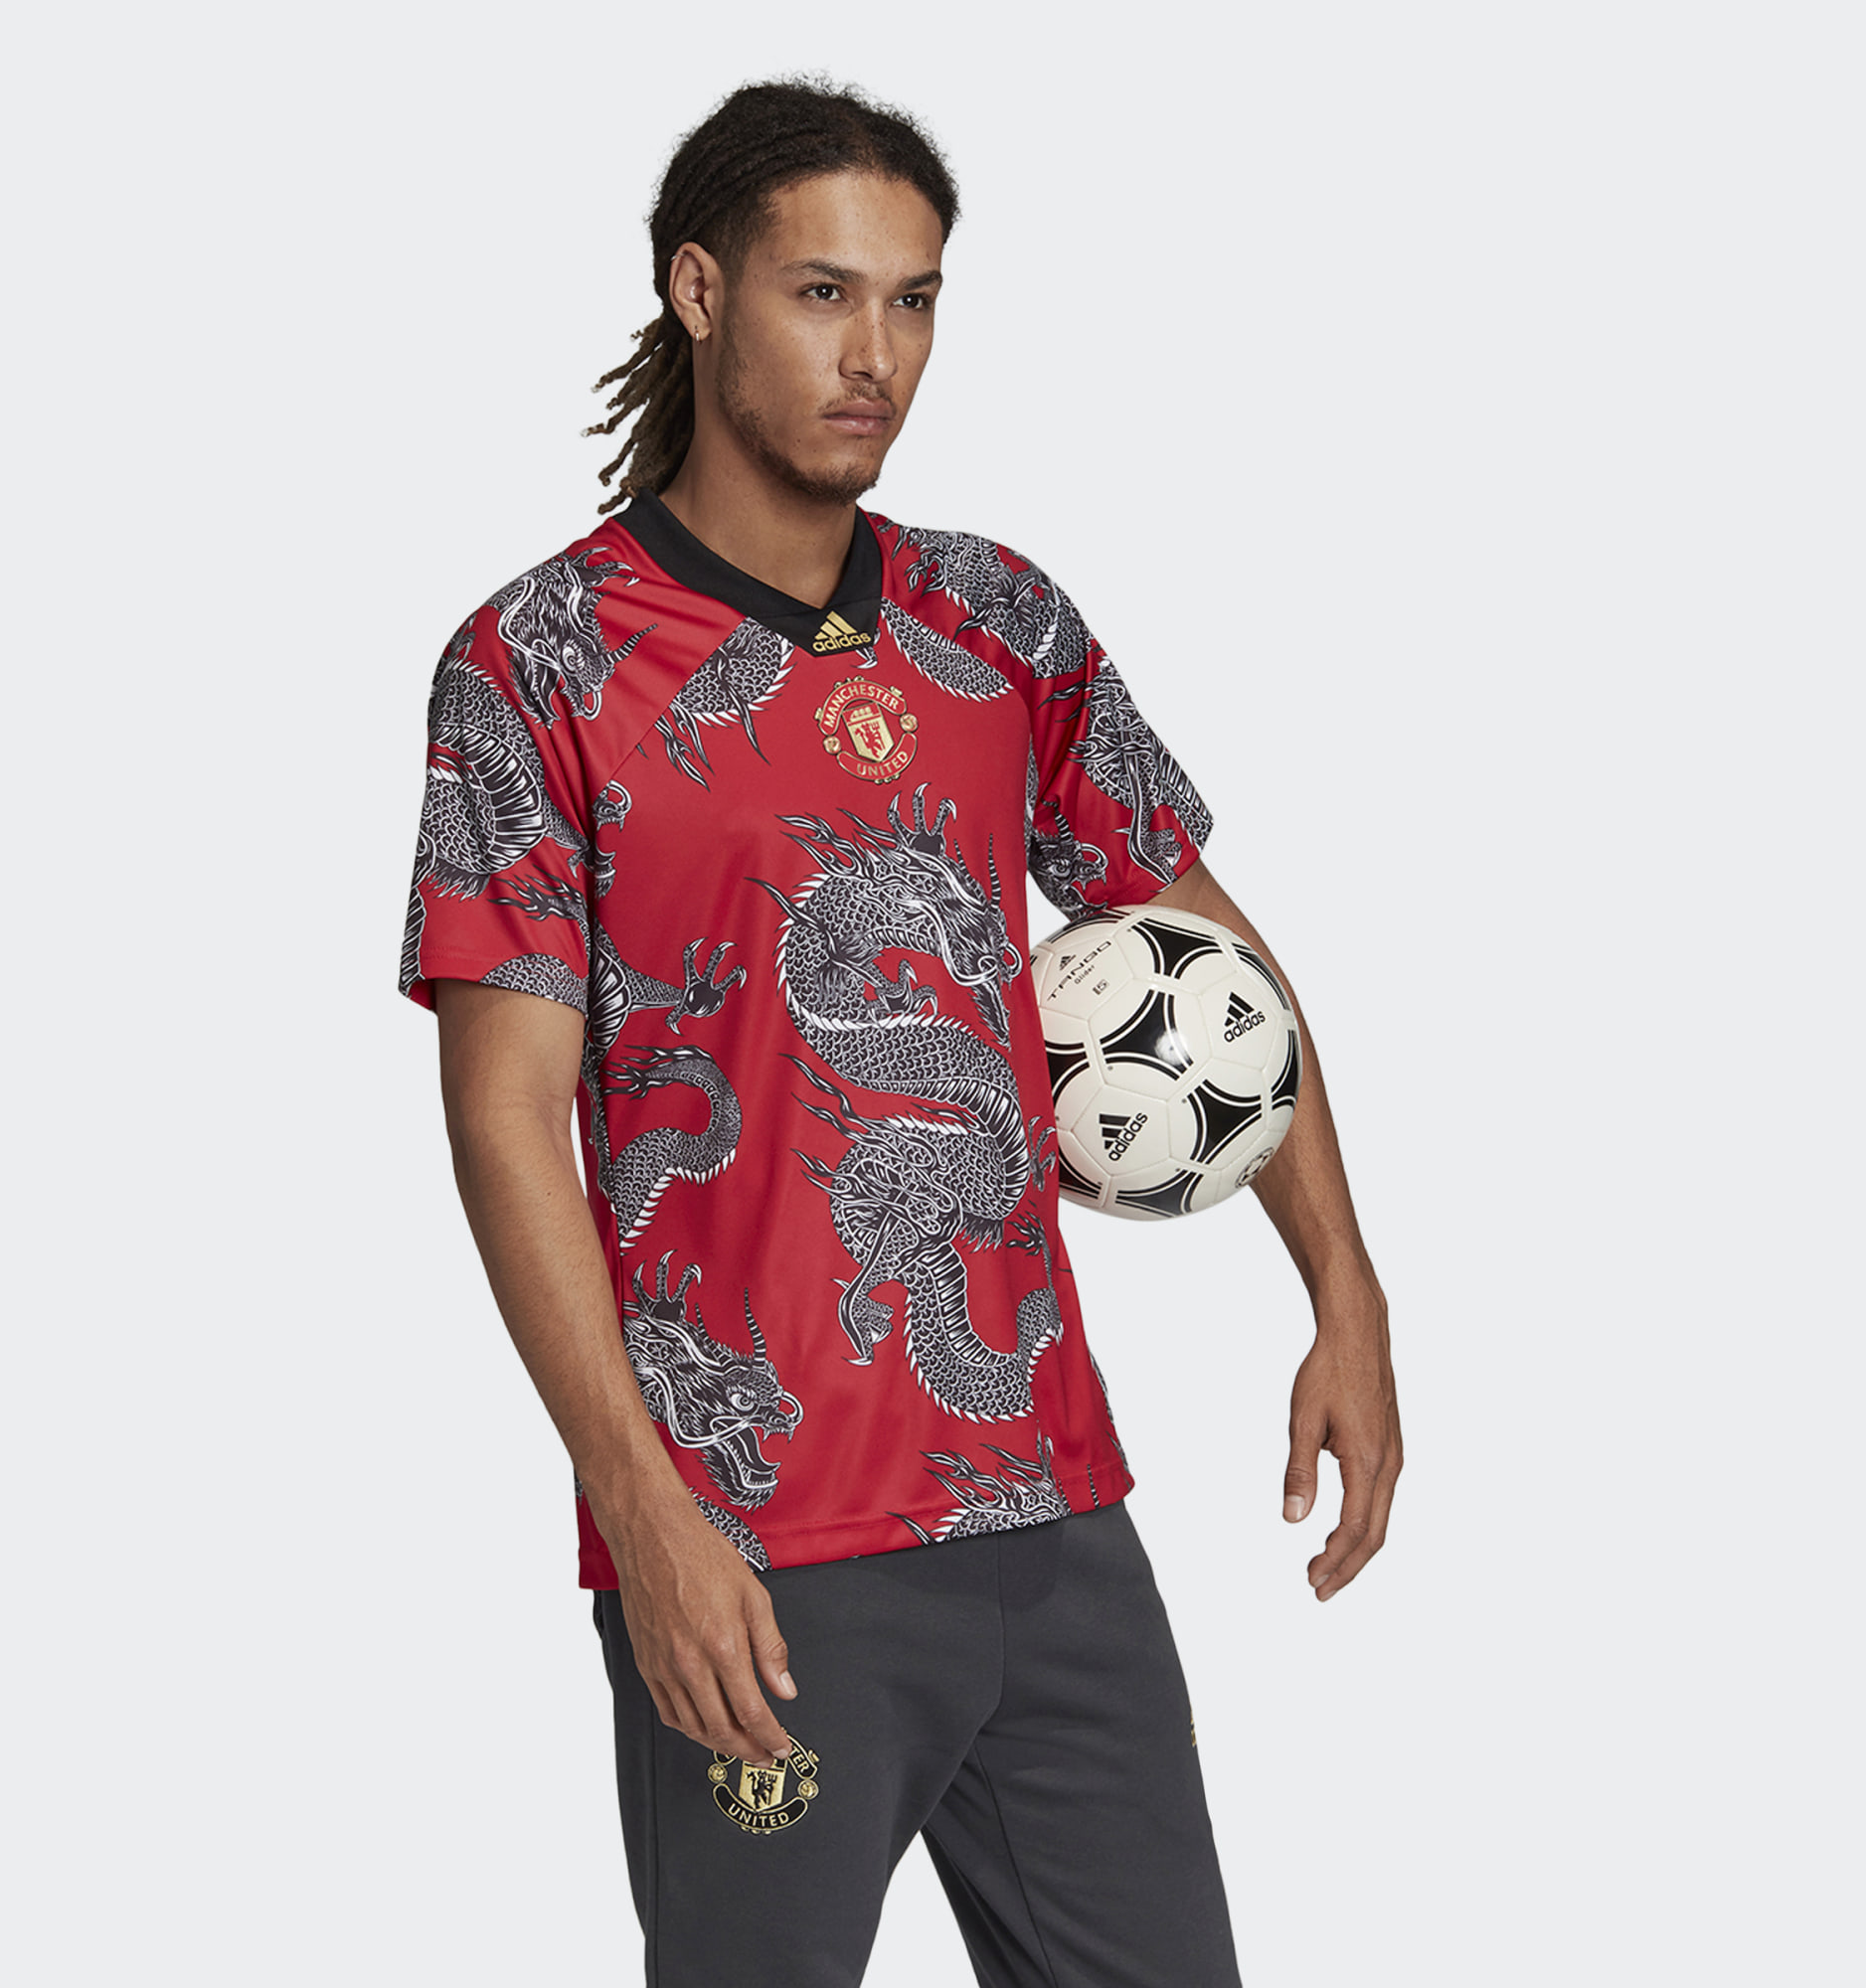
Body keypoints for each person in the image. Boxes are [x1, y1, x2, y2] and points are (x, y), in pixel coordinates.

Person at [398, 76, 1399, 1988]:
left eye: (916, 300)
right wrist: (640, 1512)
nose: (878, 355)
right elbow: (504, 1114)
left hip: (1052, 1519)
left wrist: (1342, 1285)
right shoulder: (538, 663)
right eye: (824, 294)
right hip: (752, 1548)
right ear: (700, 291)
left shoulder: (998, 619)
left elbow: (1206, 951)